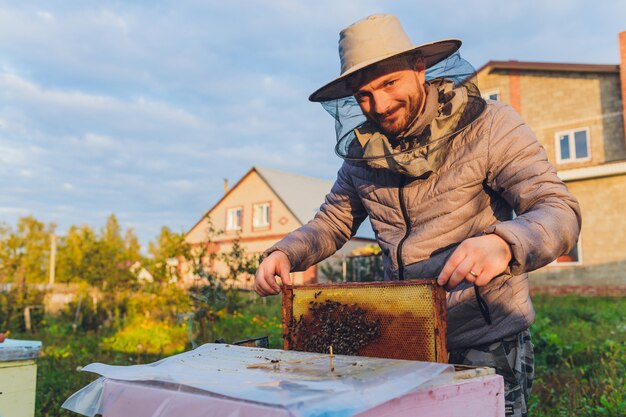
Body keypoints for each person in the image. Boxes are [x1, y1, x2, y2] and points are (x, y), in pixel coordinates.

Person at [254, 13, 581, 417]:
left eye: (389, 83)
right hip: (406, 341)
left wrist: (504, 243)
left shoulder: (492, 126)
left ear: (419, 68)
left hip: (486, 337)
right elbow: (332, 222)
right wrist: (285, 253)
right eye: (364, 95)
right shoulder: (363, 158)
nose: (381, 105)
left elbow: (558, 210)